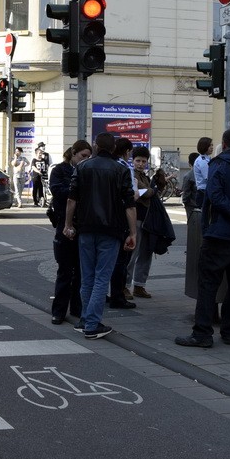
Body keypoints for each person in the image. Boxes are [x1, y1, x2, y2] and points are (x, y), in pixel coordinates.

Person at [175, 128, 230, 348]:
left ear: (224, 143)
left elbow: (215, 197)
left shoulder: (219, 164)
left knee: (208, 284)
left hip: (220, 234)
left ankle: (202, 333)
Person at [63, 132, 137, 340]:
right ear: (113, 148)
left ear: (96, 146)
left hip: (85, 229)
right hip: (110, 230)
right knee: (102, 278)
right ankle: (92, 324)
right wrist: (133, 232)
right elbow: (129, 205)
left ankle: (86, 319)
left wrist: (68, 225)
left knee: (87, 278)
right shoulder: (120, 170)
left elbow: (71, 200)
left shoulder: (82, 167)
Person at [49, 140, 91, 326]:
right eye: (83, 156)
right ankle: (59, 311)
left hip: (83, 225)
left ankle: (77, 307)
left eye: (89, 157)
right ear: (73, 153)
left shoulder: (88, 171)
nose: (85, 160)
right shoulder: (60, 170)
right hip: (64, 225)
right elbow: (57, 191)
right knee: (65, 270)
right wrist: (76, 190)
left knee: (81, 271)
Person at [109, 137, 137, 307]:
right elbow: (131, 196)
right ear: (126, 151)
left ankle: (104, 294)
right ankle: (117, 296)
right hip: (121, 218)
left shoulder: (97, 164)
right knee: (121, 260)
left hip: (103, 218)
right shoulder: (124, 167)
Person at [127, 146, 158, 299]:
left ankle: (139, 285)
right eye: (137, 160)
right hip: (136, 219)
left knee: (146, 253)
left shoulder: (144, 176)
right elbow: (144, 192)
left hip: (147, 220)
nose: (140, 163)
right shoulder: (131, 175)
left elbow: (147, 191)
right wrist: (151, 190)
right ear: (132, 161)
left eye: (143, 161)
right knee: (132, 254)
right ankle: (125, 286)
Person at [192, 136, 214, 209]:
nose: (212, 147)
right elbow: (208, 177)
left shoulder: (206, 159)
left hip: (204, 191)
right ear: (204, 146)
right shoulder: (203, 161)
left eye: (212, 145)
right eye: (210, 145)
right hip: (203, 191)